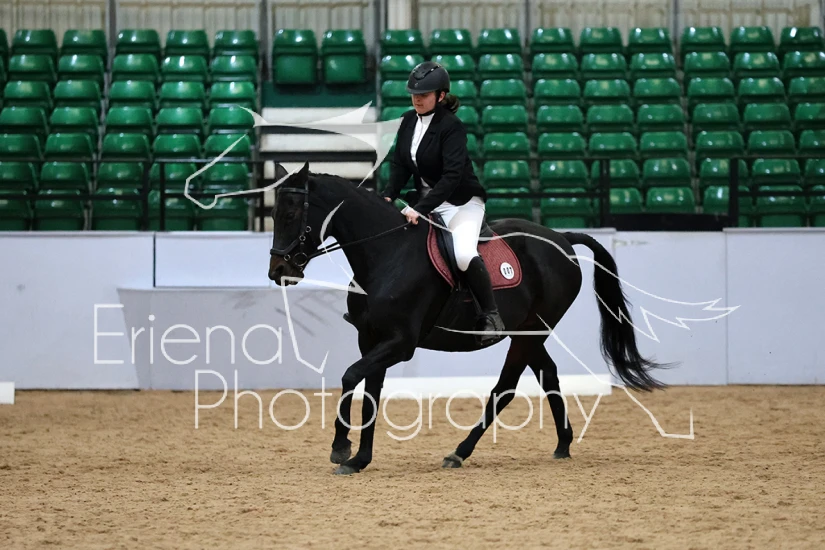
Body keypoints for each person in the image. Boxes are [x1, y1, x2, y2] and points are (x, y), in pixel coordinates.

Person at [379, 60, 505, 345]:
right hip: (424, 202)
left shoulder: (452, 127)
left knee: (463, 254)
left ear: (441, 95)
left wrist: (420, 208)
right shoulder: (407, 120)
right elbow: (400, 164)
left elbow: (451, 177)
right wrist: (389, 194)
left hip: (461, 203)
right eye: (414, 94)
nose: (417, 99)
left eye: (424, 94)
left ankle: (491, 315)